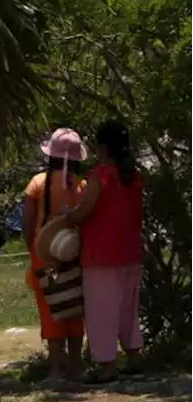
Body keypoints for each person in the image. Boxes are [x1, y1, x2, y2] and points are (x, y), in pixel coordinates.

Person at [65, 120, 145, 383]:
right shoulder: (134, 175)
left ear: (103, 147)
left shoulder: (100, 175)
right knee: (127, 309)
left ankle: (107, 367)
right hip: (130, 251)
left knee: (102, 311)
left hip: (101, 253)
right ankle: (134, 358)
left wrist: (69, 217)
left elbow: (85, 210)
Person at [23, 130, 88, 385]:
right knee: (73, 307)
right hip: (72, 252)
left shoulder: (38, 183)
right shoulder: (81, 185)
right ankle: (76, 365)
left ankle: (56, 370)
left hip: (45, 255)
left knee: (51, 310)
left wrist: (34, 247)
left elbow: (27, 221)